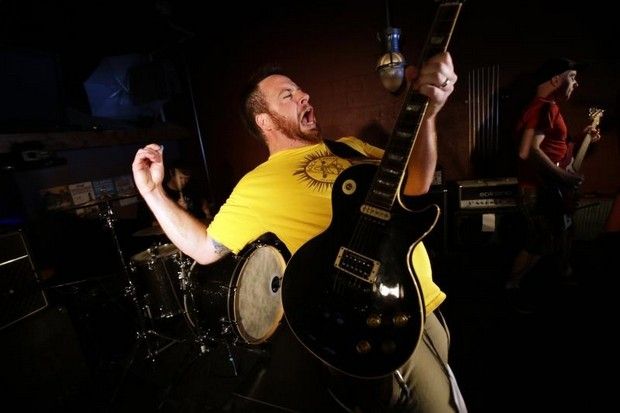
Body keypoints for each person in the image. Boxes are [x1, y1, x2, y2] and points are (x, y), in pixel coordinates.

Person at [132, 52, 466, 412]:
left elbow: (415, 183)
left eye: (301, 91)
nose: (304, 96)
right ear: (265, 121)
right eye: (288, 95)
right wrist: (153, 192)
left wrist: (428, 115)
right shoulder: (256, 185)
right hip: (376, 317)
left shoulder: (350, 147)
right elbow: (202, 247)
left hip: (424, 298)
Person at [506, 57, 601, 310]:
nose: (576, 83)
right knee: (536, 243)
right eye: (572, 77)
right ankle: (511, 287)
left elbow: (552, 147)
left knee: (548, 240)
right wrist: (564, 177)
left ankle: (525, 284)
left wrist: (581, 138)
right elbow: (530, 151)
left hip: (546, 187)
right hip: (536, 189)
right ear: (556, 79)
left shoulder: (548, 107)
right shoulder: (543, 107)